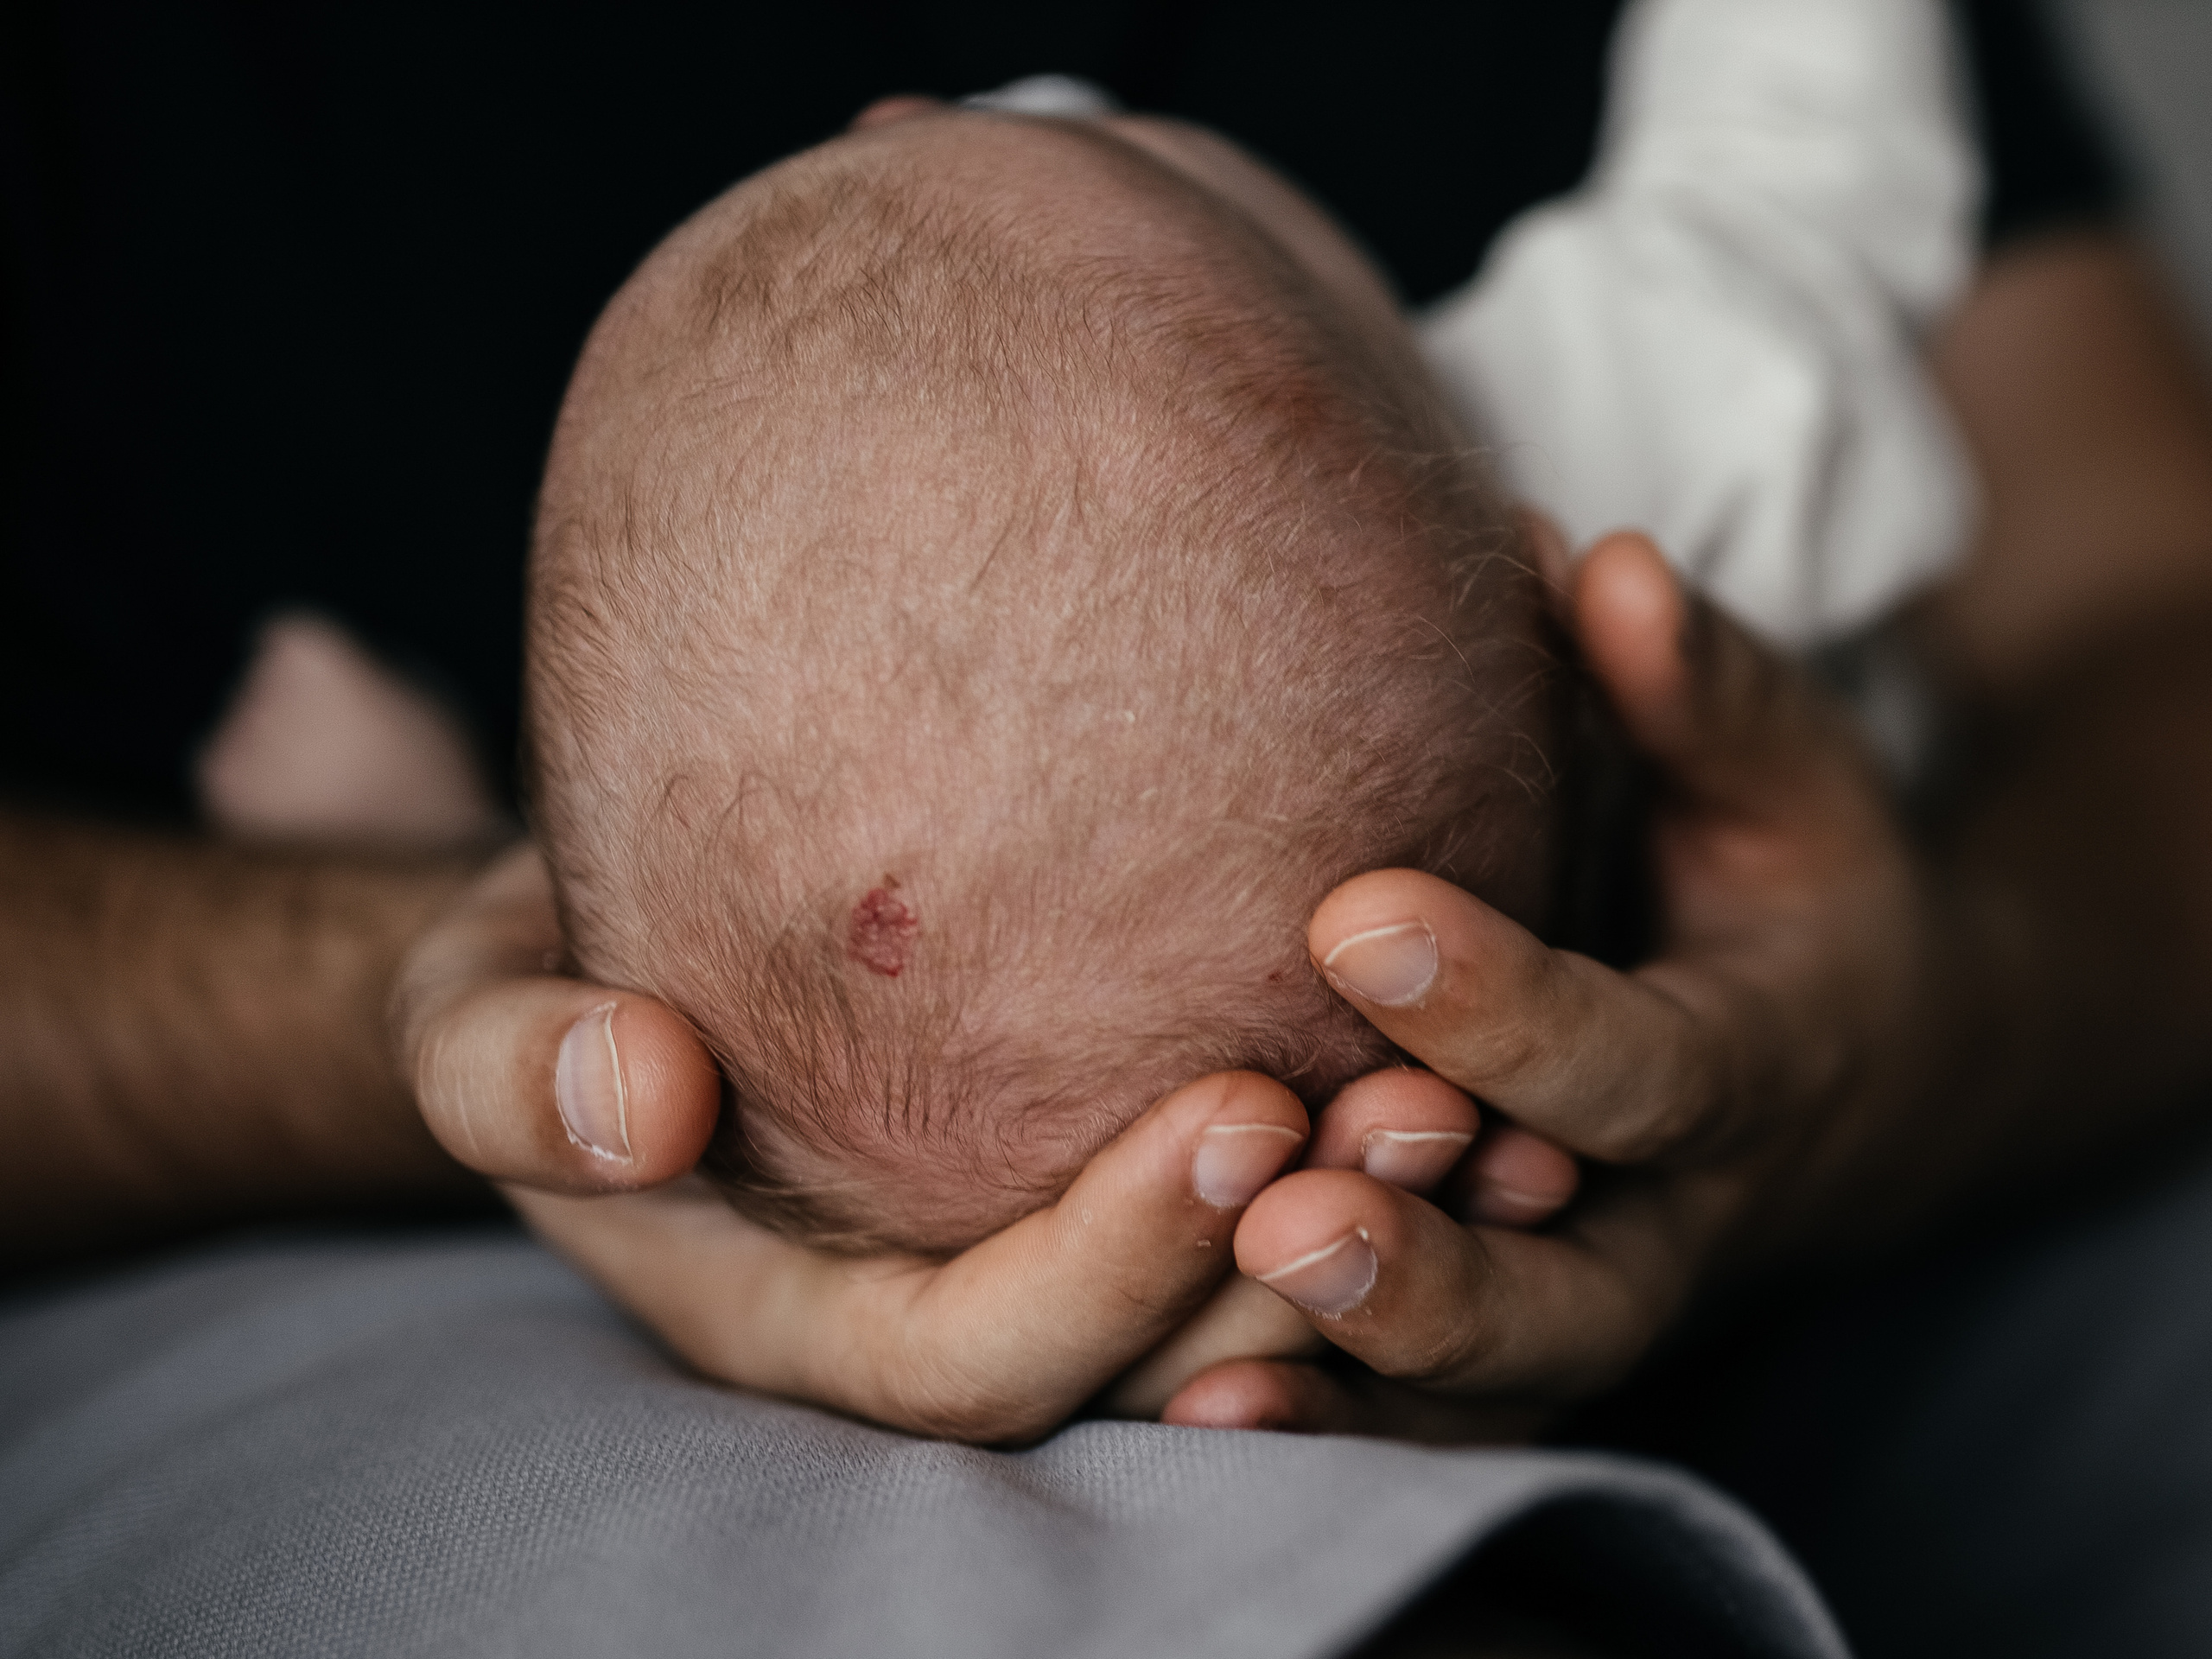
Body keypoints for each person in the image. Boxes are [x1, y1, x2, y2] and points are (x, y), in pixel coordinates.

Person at [6, 3, 2211, 1656]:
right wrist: (432, 1025)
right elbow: (1813, 139)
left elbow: (2146, 597)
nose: (911, 105)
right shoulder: (1648, 400)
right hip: (316, 1249)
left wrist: (1935, 1020)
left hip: (1848, 1063)